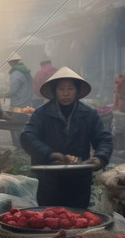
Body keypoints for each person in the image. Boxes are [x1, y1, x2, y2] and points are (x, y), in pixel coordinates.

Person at [20, 66, 113, 208]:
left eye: (70, 88)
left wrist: (100, 157)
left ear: (76, 91)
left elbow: (104, 139)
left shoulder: (89, 114)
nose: (66, 93)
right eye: (61, 89)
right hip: (49, 179)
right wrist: (49, 153)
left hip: (79, 180)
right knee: (49, 221)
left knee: (78, 222)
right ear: (54, 91)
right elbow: (27, 136)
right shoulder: (42, 114)